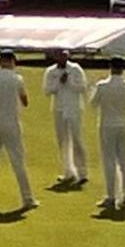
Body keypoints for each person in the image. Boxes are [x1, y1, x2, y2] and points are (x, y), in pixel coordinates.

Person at [0, 49, 38, 213]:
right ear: (12, 61)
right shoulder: (17, 79)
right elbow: (25, 100)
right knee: (18, 161)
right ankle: (27, 198)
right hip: (11, 123)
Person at [90, 56, 125, 214]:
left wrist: (93, 88)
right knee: (123, 161)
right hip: (123, 124)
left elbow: (93, 103)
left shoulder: (102, 86)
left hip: (107, 125)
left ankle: (111, 195)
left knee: (109, 161)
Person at [43, 49, 88, 187]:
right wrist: (59, 83)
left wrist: (69, 82)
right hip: (59, 109)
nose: (62, 57)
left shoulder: (75, 69)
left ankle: (82, 172)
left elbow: (82, 87)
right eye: (59, 55)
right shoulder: (51, 71)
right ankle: (68, 171)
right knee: (62, 141)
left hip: (74, 108)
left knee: (76, 139)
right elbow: (47, 90)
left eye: (64, 55)